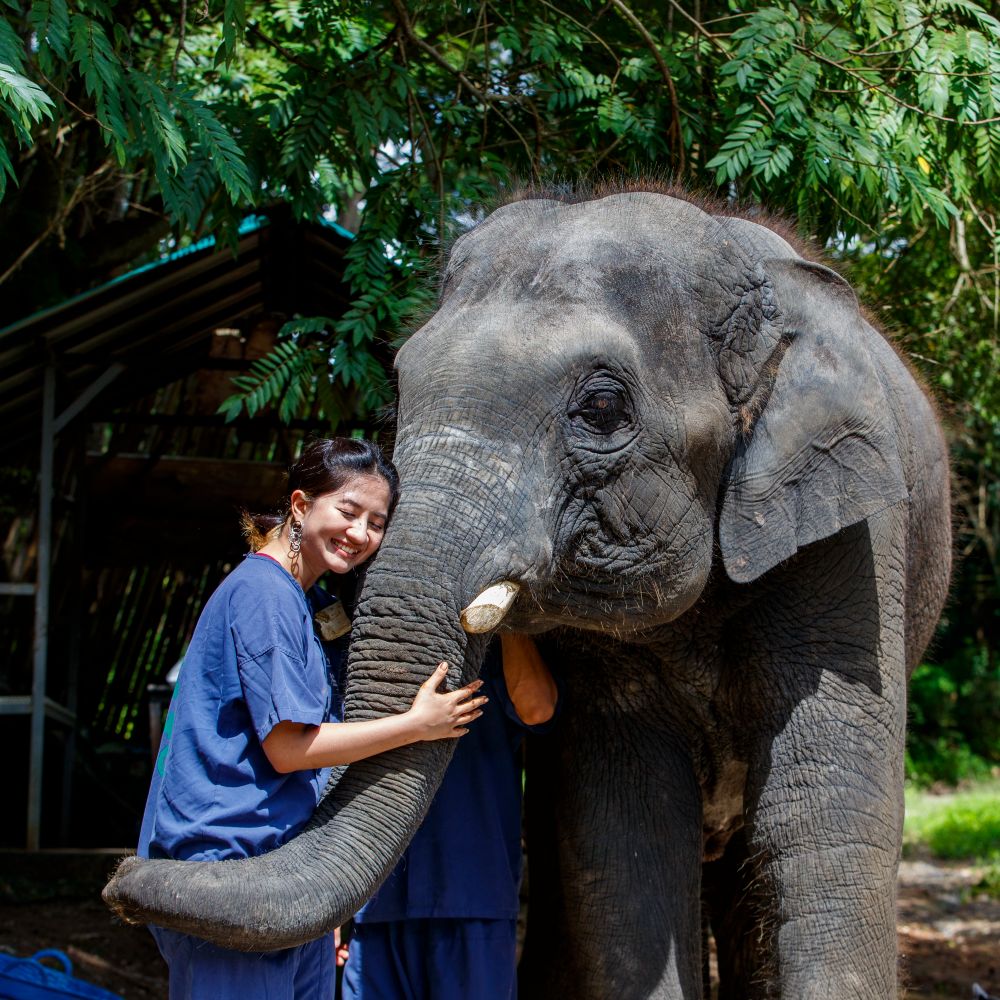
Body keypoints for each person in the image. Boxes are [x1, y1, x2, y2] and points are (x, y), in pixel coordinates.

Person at [136, 437, 487, 1000]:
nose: (361, 534)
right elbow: (288, 749)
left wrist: (321, 902)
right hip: (230, 874)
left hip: (283, 878)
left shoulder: (296, 597)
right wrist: (417, 725)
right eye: (347, 512)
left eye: (376, 522)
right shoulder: (263, 593)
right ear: (300, 505)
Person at [341, 630, 559, 1000]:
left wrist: (504, 614)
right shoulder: (376, 629)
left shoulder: (492, 645)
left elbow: (539, 708)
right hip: (377, 900)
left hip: (472, 895)